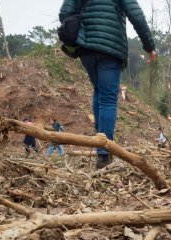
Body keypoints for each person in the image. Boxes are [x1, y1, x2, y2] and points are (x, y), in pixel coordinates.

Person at [59, 0, 156, 169]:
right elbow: (136, 16)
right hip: (111, 47)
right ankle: (104, 154)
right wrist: (149, 46)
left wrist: (84, 30)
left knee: (98, 91)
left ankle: (100, 142)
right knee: (108, 99)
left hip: (86, 49)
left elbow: (65, 13)